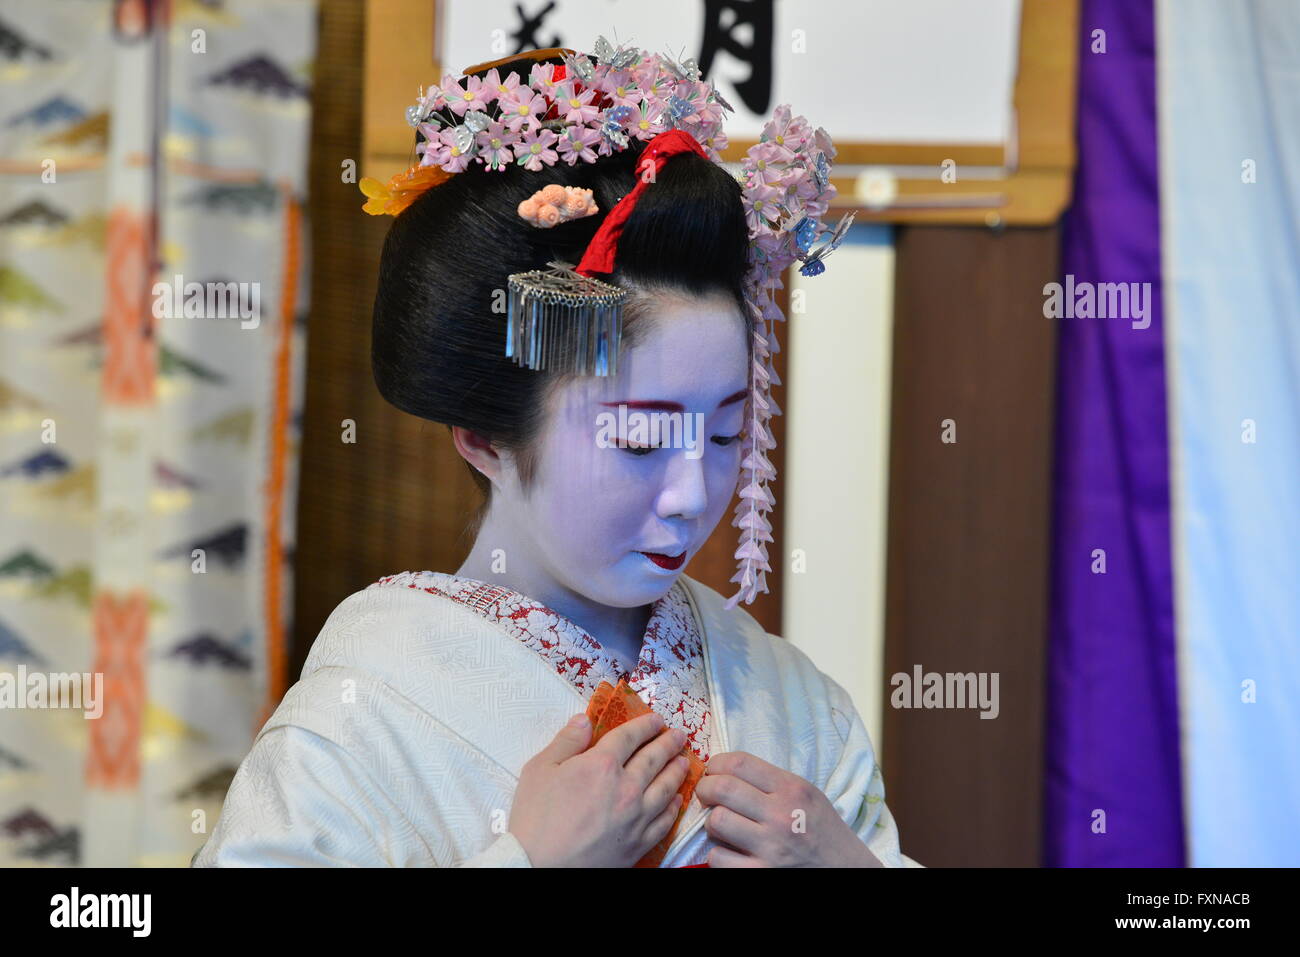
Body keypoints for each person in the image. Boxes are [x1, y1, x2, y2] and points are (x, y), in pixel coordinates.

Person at [193, 42, 921, 868]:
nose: (692, 494)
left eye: (724, 434)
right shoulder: (363, 718)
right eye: (642, 438)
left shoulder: (786, 700)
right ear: (487, 436)